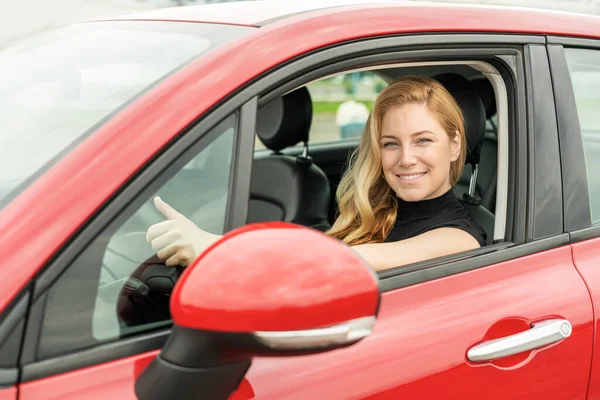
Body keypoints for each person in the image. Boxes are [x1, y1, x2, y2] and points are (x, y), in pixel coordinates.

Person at [146, 76, 486, 272]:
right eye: (391, 144)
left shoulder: (460, 238)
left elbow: (340, 260)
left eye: (423, 140)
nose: (406, 159)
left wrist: (216, 247)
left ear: (455, 145)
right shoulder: (379, 209)